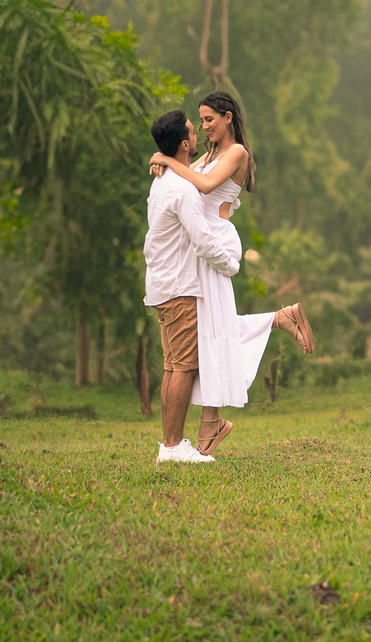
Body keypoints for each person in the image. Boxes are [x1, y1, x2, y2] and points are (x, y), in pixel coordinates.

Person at [149, 92, 314, 456]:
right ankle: (280, 319)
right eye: (200, 122)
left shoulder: (237, 152)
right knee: (213, 328)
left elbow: (205, 186)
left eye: (209, 120)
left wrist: (165, 159)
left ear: (227, 118)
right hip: (198, 246)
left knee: (215, 328)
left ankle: (210, 421)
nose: (205, 127)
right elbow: (189, 175)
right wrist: (168, 162)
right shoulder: (206, 155)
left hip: (215, 244)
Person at [143, 109, 242, 464]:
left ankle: (170, 444)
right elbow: (201, 240)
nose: (199, 131)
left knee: (173, 366)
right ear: (184, 144)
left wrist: (162, 158)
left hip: (161, 283)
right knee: (183, 367)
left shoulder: (162, 181)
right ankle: (172, 447)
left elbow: (201, 165)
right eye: (193, 129)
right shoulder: (183, 189)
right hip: (180, 287)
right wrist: (230, 264)